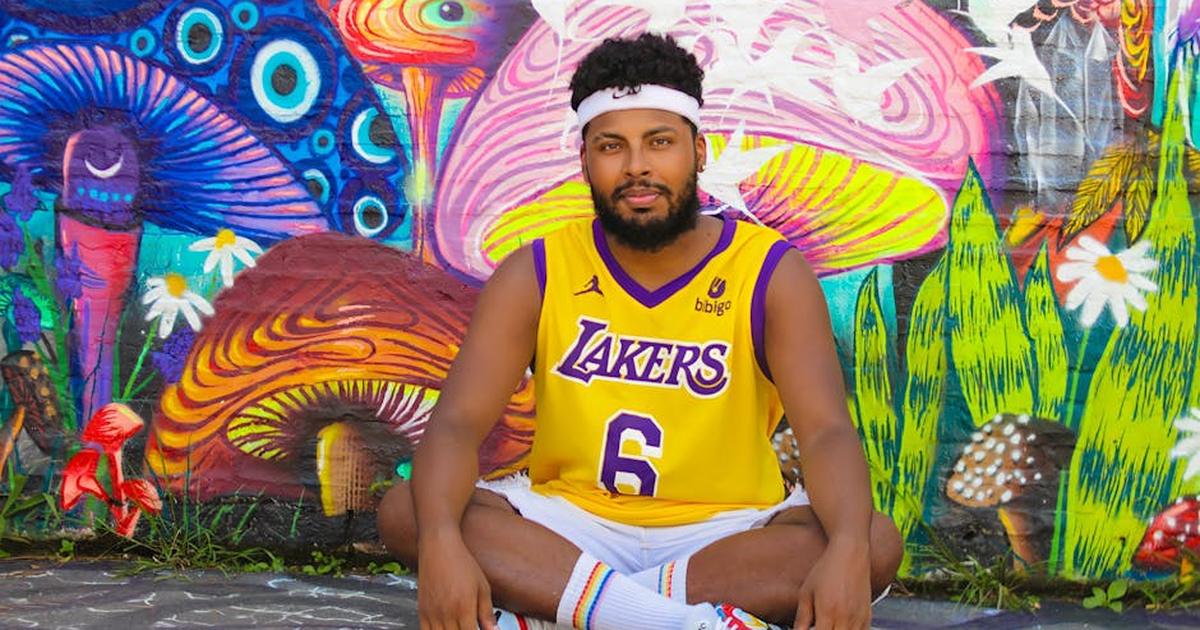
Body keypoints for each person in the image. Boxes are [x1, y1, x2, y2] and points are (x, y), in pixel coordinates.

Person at [377, 32, 902, 630]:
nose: (637, 167)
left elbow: (828, 432)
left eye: (660, 142)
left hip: (725, 533)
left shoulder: (768, 271)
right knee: (411, 513)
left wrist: (849, 552)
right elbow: (456, 425)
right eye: (611, 146)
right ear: (584, 161)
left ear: (698, 151)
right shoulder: (538, 270)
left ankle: (576, 610)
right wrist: (442, 542)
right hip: (570, 524)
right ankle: (683, 623)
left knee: (872, 542)